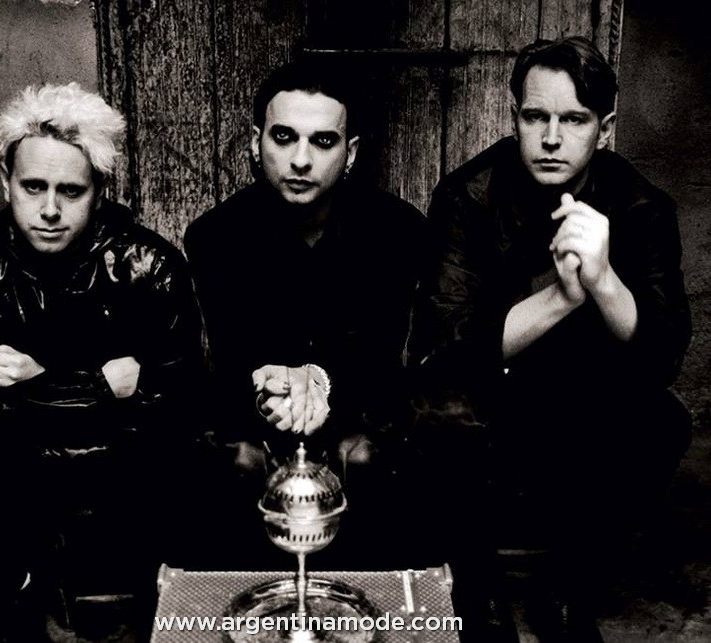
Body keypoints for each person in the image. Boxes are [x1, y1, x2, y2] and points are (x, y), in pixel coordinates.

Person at [413, 36, 692, 642]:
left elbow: (662, 356)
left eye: (574, 120)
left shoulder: (641, 207)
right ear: (514, 117)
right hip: (489, 391)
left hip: (584, 391)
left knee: (661, 422)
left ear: (605, 129)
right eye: (535, 116)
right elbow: (445, 347)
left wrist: (604, 281)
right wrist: (561, 298)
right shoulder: (468, 197)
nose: (550, 138)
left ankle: (571, 588)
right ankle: (478, 592)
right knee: (435, 412)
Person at [0, 83, 203, 640]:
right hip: (22, 460)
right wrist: (101, 387)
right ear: (6, 182)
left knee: (196, 495)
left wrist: (32, 384)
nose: (49, 210)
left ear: (99, 191)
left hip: (133, 460)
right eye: (33, 186)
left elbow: (177, 401)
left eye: (70, 191)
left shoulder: (150, 266)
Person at [182, 60, 429, 574]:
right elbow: (236, 356)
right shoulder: (215, 237)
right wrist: (274, 392)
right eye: (284, 137)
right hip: (260, 415)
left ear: (350, 153)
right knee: (228, 459)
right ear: (255, 143)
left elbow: (379, 357)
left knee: (374, 456)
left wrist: (319, 382)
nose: (300, 159)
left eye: (322, 142)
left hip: (358, 416)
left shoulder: (398, 232)